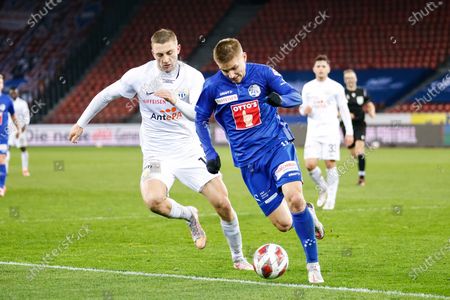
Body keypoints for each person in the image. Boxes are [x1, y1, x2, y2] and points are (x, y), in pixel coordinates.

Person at [68, 29, 252, 270]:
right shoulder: (139, 76)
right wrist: (81, 123)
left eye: (168, 53)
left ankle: (238, 258)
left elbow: (199, 116)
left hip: (189, 149)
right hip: (157, 153)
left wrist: (174, 99)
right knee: (153, 200)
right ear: (152, 53)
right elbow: (106, 95)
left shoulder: (193, 77)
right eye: (159, 55)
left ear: (178, 49)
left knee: (223, 204)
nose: (165, 59)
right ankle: (189, 215)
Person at [195, 38, 325, 284]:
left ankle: (313, 265)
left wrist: (281, 100)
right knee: (285, 224)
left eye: (235, 67)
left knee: (294, 197)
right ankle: (307, 213)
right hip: (249, 162)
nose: (232, 74)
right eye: (225, 70)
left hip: (277, 146)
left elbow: (294, 96)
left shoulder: (263, 73)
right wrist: (209, 152)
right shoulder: (212, 87)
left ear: (244, 56)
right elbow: (200, 119)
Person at [299, 55, 354, 210]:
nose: (321, 68)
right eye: (318, 66)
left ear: (328, 69)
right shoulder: (308, 87)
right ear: (314, 69)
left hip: (331, 131)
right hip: (313, 132)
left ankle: (331, 200)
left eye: (324, 66)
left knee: (330, 163)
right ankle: (323, 188)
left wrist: (349, 132)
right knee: (310, 164)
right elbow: (301, 107)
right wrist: (304, 110)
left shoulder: (336, 87)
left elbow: (344, 110)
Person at [342, 69, 376, 186]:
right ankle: (359, 161)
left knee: (359, 151)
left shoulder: (362, 91)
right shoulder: (342, 93)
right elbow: (336, 109)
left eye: (352, 78)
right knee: (354, 154)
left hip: (360, 124)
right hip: (346, 126)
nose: (350, 80)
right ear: (345, 80)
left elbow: (369, 103)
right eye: (348, 78)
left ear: (355, 79)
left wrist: (372, 111)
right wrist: (344, 115)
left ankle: (362, 178)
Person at [0, 74, 22, 196]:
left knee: (1, 159)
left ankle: (1, 186)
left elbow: (13, 116)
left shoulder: (6, 100)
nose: (0, 84)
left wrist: (18, 128)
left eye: (1, 82)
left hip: (2, 136)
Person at [7, 87, 31, 176]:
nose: (13, 94)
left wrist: (22, 129)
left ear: (17, 93)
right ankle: (5, 170)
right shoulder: (7, 102)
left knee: (23, 148)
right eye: (11, 93)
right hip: (8, 130)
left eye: (14, 92)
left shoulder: (22, 103)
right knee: (6, 149)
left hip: (20, 129)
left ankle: (25, 169)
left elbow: (26, 116)